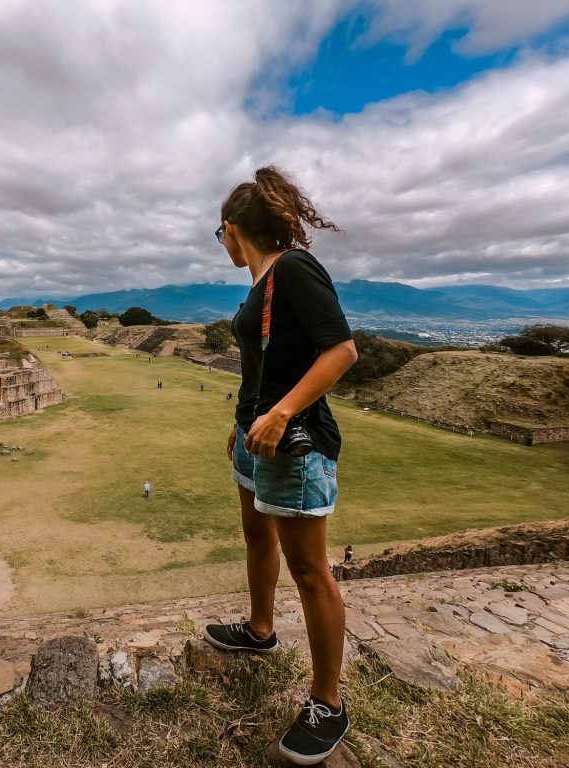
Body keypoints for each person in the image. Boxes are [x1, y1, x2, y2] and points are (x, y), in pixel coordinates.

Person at [202, 166, 358, 766]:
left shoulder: (293, 268)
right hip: (255, 438)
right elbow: (263, 365)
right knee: (255, 534)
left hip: (294, 442)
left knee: (311, 570)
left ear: (235, 229)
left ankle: (327, 703)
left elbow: (341, 349)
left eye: (221, 236)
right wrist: (243, 424)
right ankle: (260, 630)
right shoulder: (261, 283)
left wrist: (282, 411)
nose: (223, 247)